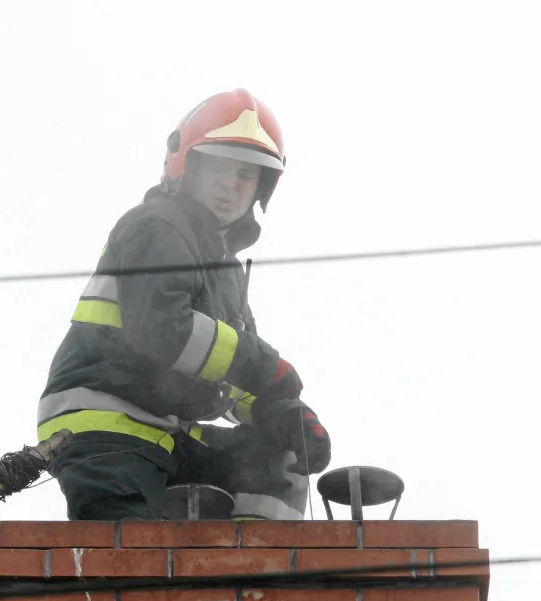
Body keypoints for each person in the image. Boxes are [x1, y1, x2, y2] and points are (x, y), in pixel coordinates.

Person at [38, 88, 331, 521]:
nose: (230, 186)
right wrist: (266, 368)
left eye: (245, 177)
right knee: (129, 561)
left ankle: (260, 572)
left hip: (167, 432)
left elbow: (226, 374)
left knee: (279, 450)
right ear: (186, 164)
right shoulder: (156, 226)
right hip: (102, 428)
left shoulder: (227, 274)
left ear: (261, 189)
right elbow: (163, 331)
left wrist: (283, 413)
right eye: (219, 167)